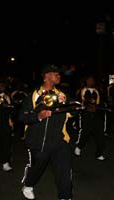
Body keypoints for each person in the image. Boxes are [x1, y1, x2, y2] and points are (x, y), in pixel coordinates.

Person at [20, 65, 73, 200]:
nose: (59, 76)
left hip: (59, 140)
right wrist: (39, 116)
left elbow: (72, 112)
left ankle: (65, 197)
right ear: (46, 76)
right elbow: (22, 117)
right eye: (56, 73)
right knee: (36, 169)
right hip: (38, 141)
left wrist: (66, 104)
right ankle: (28, 184)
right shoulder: (33, 95)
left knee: (64, 172)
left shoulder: (62, 95)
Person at [74, 75, 106, 161]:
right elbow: (78, 102)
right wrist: (86, 107)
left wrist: (98, 108)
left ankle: (99, 153)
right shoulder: (82, 90)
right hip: (86, 115)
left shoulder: (97, 91)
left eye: (92, 80)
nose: (91, 81)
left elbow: (101, 102)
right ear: (86, 81)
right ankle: (79, 146)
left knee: (100, 134)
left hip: (97, 115)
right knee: (85, 132)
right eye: (89, 80)